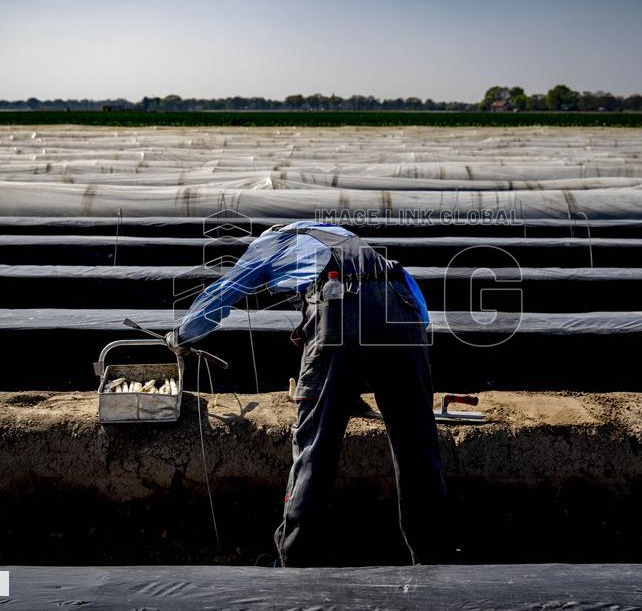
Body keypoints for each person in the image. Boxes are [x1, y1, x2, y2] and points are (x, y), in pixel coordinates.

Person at [165, 220, 447, 566]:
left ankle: (294, 556)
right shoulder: (346, 238)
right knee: (417, 443)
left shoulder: (271, 243)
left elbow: (227, 291)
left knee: (315, 444)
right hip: (404, 313)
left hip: (341, 308)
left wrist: (183, 334)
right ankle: (434, 555)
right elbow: (402, 292)